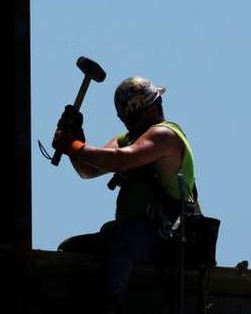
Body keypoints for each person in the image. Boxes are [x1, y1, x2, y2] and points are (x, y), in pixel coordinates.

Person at [51, 76, 199, 312]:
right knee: (77, 247)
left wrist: (74, 146)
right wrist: (75, 139)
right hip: (137, 235)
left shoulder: (165, 136)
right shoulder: (128, 140)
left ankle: (109, 304)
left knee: (122, 235)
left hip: (166, 237)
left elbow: (121, 160)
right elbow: (88, 169)